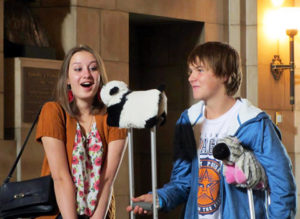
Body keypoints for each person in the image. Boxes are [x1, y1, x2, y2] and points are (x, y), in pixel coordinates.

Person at [126, 41, 297, 218]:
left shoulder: (253, 123)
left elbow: (283, 186)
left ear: (225, 74)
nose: (191, 78)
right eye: (190, 71)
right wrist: (159, 198)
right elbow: (182, 183)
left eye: (200, 70)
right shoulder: (188, 122)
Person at [36, 45, 127, 219]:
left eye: (93, 68)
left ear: (100, 76)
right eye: (78, 69)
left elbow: (108, 179)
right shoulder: (53, 111)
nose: (86, 74)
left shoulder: (115, 115)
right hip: (59, 214)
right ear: (67, 79)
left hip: (99, 213)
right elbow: (60, 177)